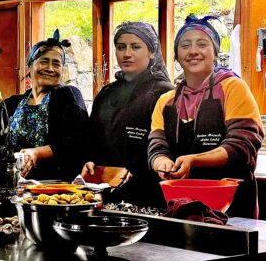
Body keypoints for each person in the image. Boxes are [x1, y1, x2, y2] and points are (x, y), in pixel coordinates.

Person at [148, 14, 265, 218]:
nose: (193, 51)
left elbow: (242, 146)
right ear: (176, 56)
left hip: (232, 209)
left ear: (215, 53)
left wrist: (194, 160)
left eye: (202, 44)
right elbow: (157, 146)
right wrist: (162, 163)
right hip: (182, 208)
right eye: (185, 45)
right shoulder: (166, 101)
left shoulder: (233, 88)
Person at [0, 29, 91, 182]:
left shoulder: (67, 95)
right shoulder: (15, 103)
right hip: (17, 184)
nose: (50, 69)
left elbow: (77, 142)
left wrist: (37, 153)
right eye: (44, 62)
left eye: (57, 64)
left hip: (53, 187)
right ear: (30, 66)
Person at [81, 21, 174, 208]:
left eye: (136, 47)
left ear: (152, 52)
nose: (127, 54)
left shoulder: (164, 93)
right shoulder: (106, 93)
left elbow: (168, 149)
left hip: (147, 196)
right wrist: (89, 161)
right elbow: (91, 138)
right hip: (106, 194)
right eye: (121, 47)